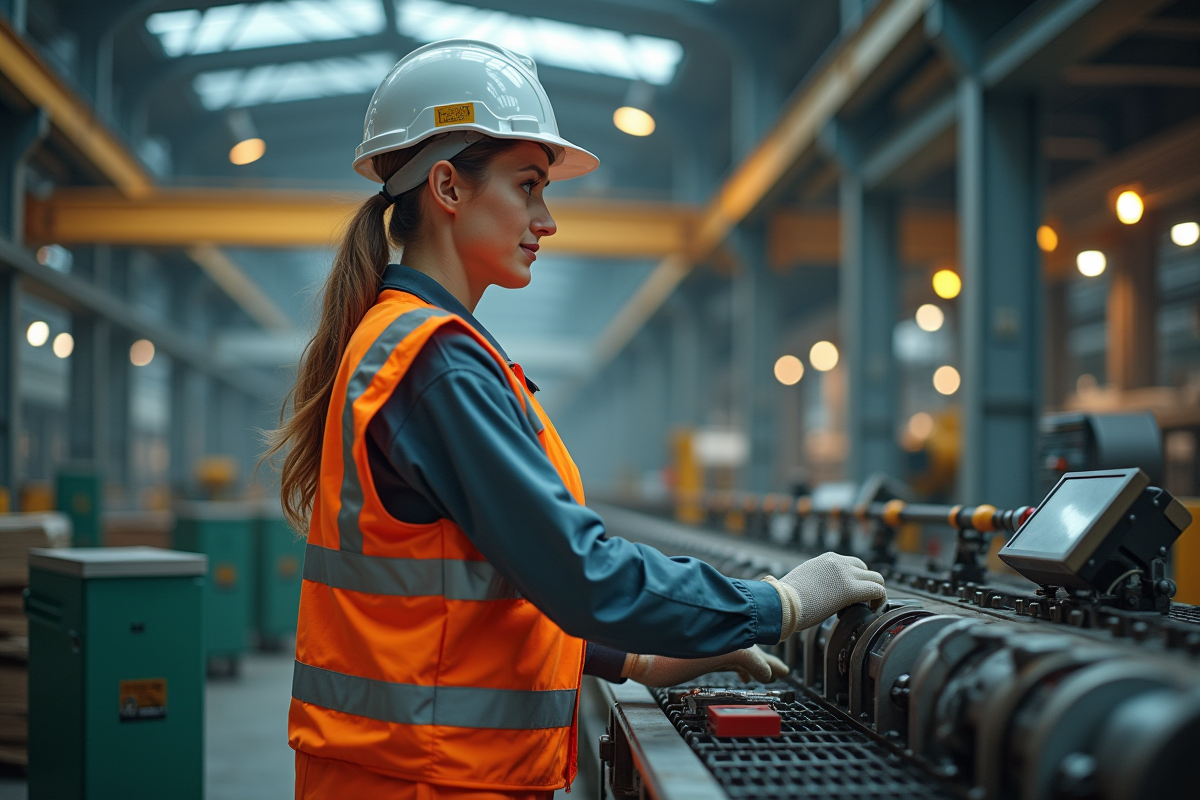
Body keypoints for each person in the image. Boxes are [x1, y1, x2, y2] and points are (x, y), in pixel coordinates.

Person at [265, 39, 886, 800]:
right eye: (528, 186)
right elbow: (576, 572)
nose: (545, 219)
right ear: (448, 187)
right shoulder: (435, 362)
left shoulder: (417, 345)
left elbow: (482, 592)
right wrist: (774, 603)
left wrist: (654, 657)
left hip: (412, 768)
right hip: (428, 779)